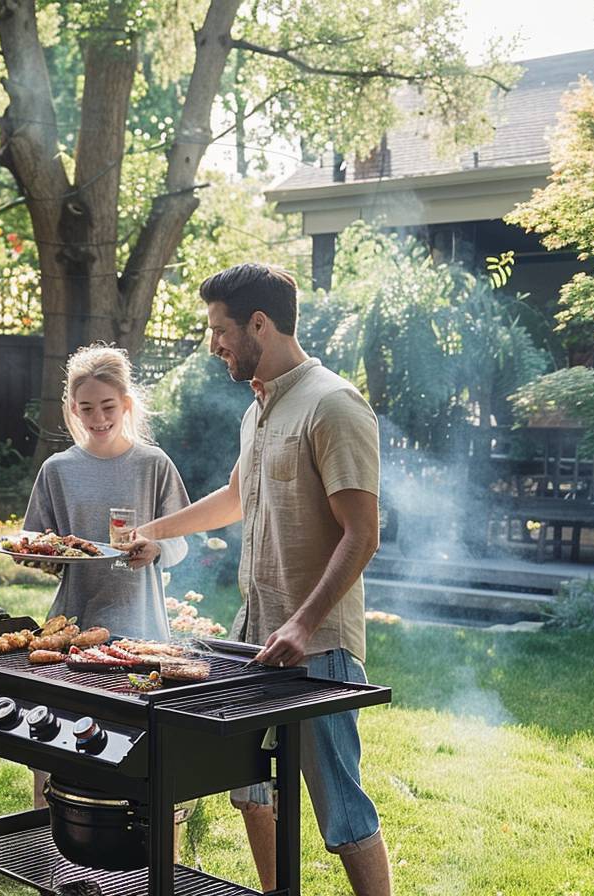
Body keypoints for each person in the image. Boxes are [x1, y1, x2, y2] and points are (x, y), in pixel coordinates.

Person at [128, 263, 392, 896]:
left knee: (341, 811)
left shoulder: (333, 404)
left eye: (220, 330)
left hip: (318, 647)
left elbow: (362, 533)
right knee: (250, 791)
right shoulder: (258, 409)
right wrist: (153, 532)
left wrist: (303, 624)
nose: (213, 344)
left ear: (259, 324)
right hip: (255, 639)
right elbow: (235, 497)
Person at [21, 344, 190, 824]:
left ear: (127, 404)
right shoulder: (57, 470)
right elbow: (38, 544)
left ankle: (143, 848)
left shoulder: (154, 465)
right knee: (57, 745)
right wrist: (43, 559)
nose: (98, 418)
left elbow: (182, 543)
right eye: (87, 408)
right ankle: (50, 844)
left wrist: (158, 548)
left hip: (143, 630)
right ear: (73, 409)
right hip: (74, 629)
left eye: (108, 406)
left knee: (139, 754)